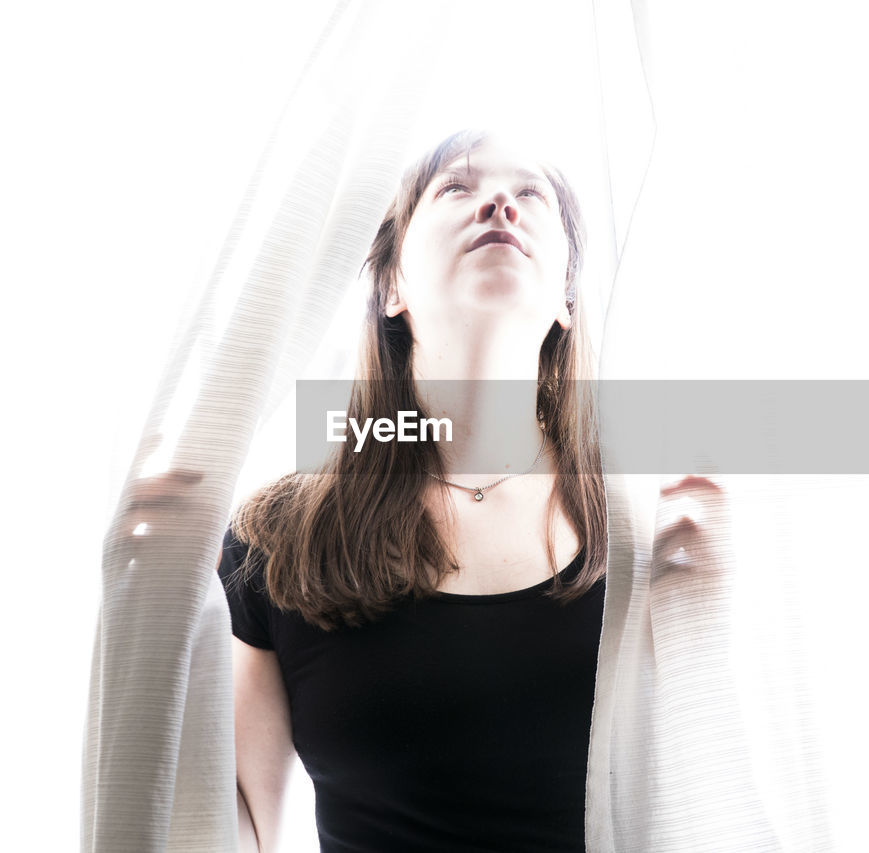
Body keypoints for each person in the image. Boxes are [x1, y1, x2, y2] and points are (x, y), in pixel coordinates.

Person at [217, 130, 609, 852]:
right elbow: (240, 828)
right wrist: (144, 592)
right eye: (456, 186)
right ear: (391, 286)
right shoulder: (277, 536)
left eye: (531, 193)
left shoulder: (641, 524)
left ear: (568, 300)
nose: (500, 203)